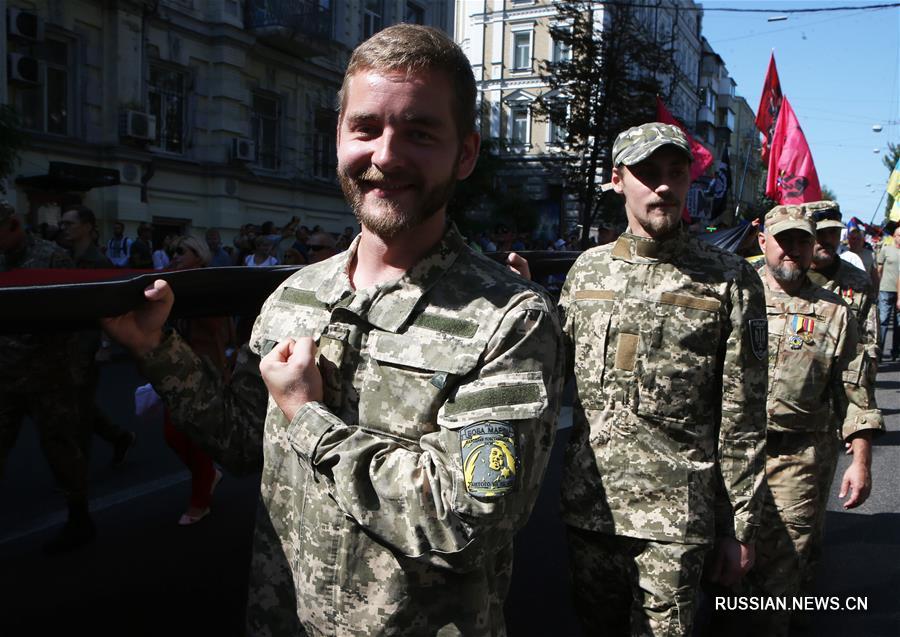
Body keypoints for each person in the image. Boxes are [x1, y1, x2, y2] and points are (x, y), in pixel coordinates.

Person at [102, 24, 563, 635]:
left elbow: (469, 523)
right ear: (339, 137)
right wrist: (158, 351)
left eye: (420, 133)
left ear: (466, 154)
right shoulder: (296, 293)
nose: (387, 155)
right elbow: (244, 444)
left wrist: (310, 417)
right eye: (366, 128)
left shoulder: (512, 319)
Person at [558, 123, 768, 637]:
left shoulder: (728, 278)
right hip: (592, 507)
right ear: (616, 180)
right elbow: (548, 379)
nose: (664, 186)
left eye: (677, 173)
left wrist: (739, 526)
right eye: (648, 173)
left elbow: (743, 415)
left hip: (676, 514)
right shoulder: (585, 273)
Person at [709, 204, 882, 636]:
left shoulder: (835, 313)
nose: (793, 250)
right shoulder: (731, 297)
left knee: (780, 573)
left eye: (803, 241)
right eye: (784, 240)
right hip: (725, 458)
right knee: (721, 570)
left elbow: (855, 393)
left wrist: (861, 462)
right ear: (763, 242)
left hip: (797, 459)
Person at [0, 201, 96, 554]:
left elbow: (76, 317)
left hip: (48, 376)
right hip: (4, 377)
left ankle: (79, 518)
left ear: (13, 225)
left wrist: (75, 369)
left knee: (61, 449)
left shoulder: (53, 258)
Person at [59, 205, 137, 467]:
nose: (64, 228)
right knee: (73, 402)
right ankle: (118, 437)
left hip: (86, 342)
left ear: (88, 227)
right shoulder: (63, 257)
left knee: (79, 406)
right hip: (65, 340)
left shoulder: (99, 262)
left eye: (70, 223)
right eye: (63, 224)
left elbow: (107, 308)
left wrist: (104, 344)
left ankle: (77, 467)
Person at [164, 235, 229, 524]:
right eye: (173, 251)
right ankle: (208, 476)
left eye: (182, 251)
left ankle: (200, 500)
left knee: (195, 437)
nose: (175, 255)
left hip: (204, 368)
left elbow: (218, 327)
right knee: (173, 434)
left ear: (199, 257)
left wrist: (186, 297)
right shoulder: (169, 282)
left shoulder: (208, 286)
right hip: (173, 367)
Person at [876, 225, 900, 360]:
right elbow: (879, 269)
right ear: (894, 237)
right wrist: (877, 286)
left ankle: (895, 351)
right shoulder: (886, 250)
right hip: (885, 289)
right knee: (883, 321)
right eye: (899, 235)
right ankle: (879, 351)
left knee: (898, 324)